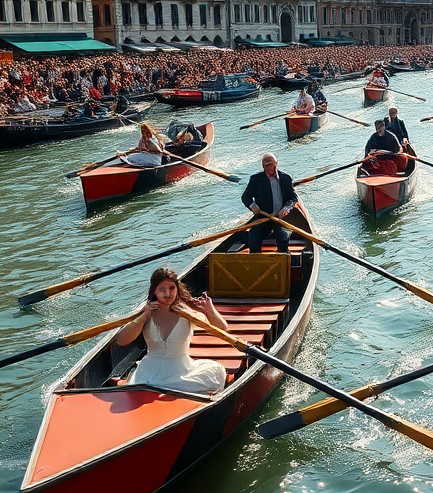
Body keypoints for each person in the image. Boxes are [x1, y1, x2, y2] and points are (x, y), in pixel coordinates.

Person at [113, 266, 228, 395]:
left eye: (171, 288)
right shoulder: (146, 312)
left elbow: (222, 328)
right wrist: (143, 317)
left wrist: (209, 310)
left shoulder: (187, 311)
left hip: (182, 371)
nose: (168, 294)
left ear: (177, 289)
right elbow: (122, 341)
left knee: (216, 373)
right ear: (154, 291)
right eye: (162, 289)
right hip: (149, 372)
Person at [241, 153, 297, 253]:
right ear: (263, 167)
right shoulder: (256, 180)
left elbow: (293, 198)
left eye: (272, 164)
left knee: (283, 239)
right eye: (267, 166)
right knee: (253, 240)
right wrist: (252, 205)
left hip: (280, 218)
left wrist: (286, 208)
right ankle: (256, 263)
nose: (270, 168)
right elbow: (246, 197)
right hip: (263, 217)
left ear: (276, 163)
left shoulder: (285, 178)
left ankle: (283, 262)